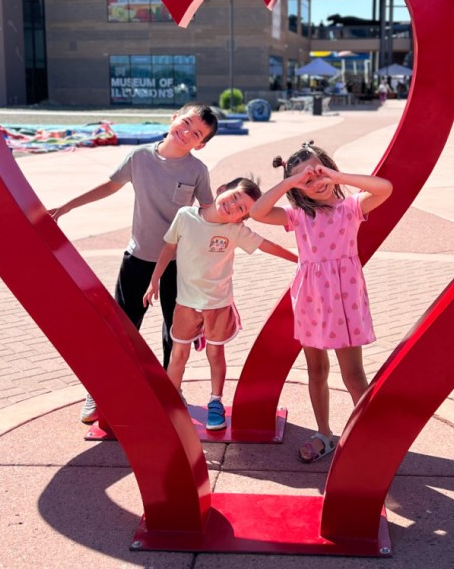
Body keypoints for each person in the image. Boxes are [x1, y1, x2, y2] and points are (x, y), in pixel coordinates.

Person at [49, 103, 219, 425]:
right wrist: (68, 207)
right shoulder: (139, 157)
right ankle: (99, 391)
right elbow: (110, 186)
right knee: (122, 328)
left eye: (196, 133)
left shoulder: (197, 171)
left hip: (178, 265)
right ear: (174, 119)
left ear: (201, 144)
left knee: (175, 331)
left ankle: (173, 390)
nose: (186, 133)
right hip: (138, 258)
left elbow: (208, 213)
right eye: (185, 123)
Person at [249, 141, 392, 463]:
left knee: (353, 373)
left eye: (318, 173)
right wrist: (289, 182)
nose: (316, 183)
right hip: (312, 298)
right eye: (306, 180)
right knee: (316, 369)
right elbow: (257, 212)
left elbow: (385, 188)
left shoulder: (352, 206)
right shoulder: (297, 216)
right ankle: (325, 433)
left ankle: (367, 437)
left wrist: (336, 176)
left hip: (345, 298)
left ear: (329, 168)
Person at [143, 177, 297, 430]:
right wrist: (154, 280)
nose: (233, 206)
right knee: (178, 354)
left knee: (215, 354)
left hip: (218, 305)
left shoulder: (235, 231)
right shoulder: (185, 216)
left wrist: (300, 261)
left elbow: (267, 246)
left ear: (241, 219)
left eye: (241, 209)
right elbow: (169, 248)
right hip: (186, 303)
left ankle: (215, 402)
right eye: (234, 197)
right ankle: (171, 402)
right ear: (222, 190)